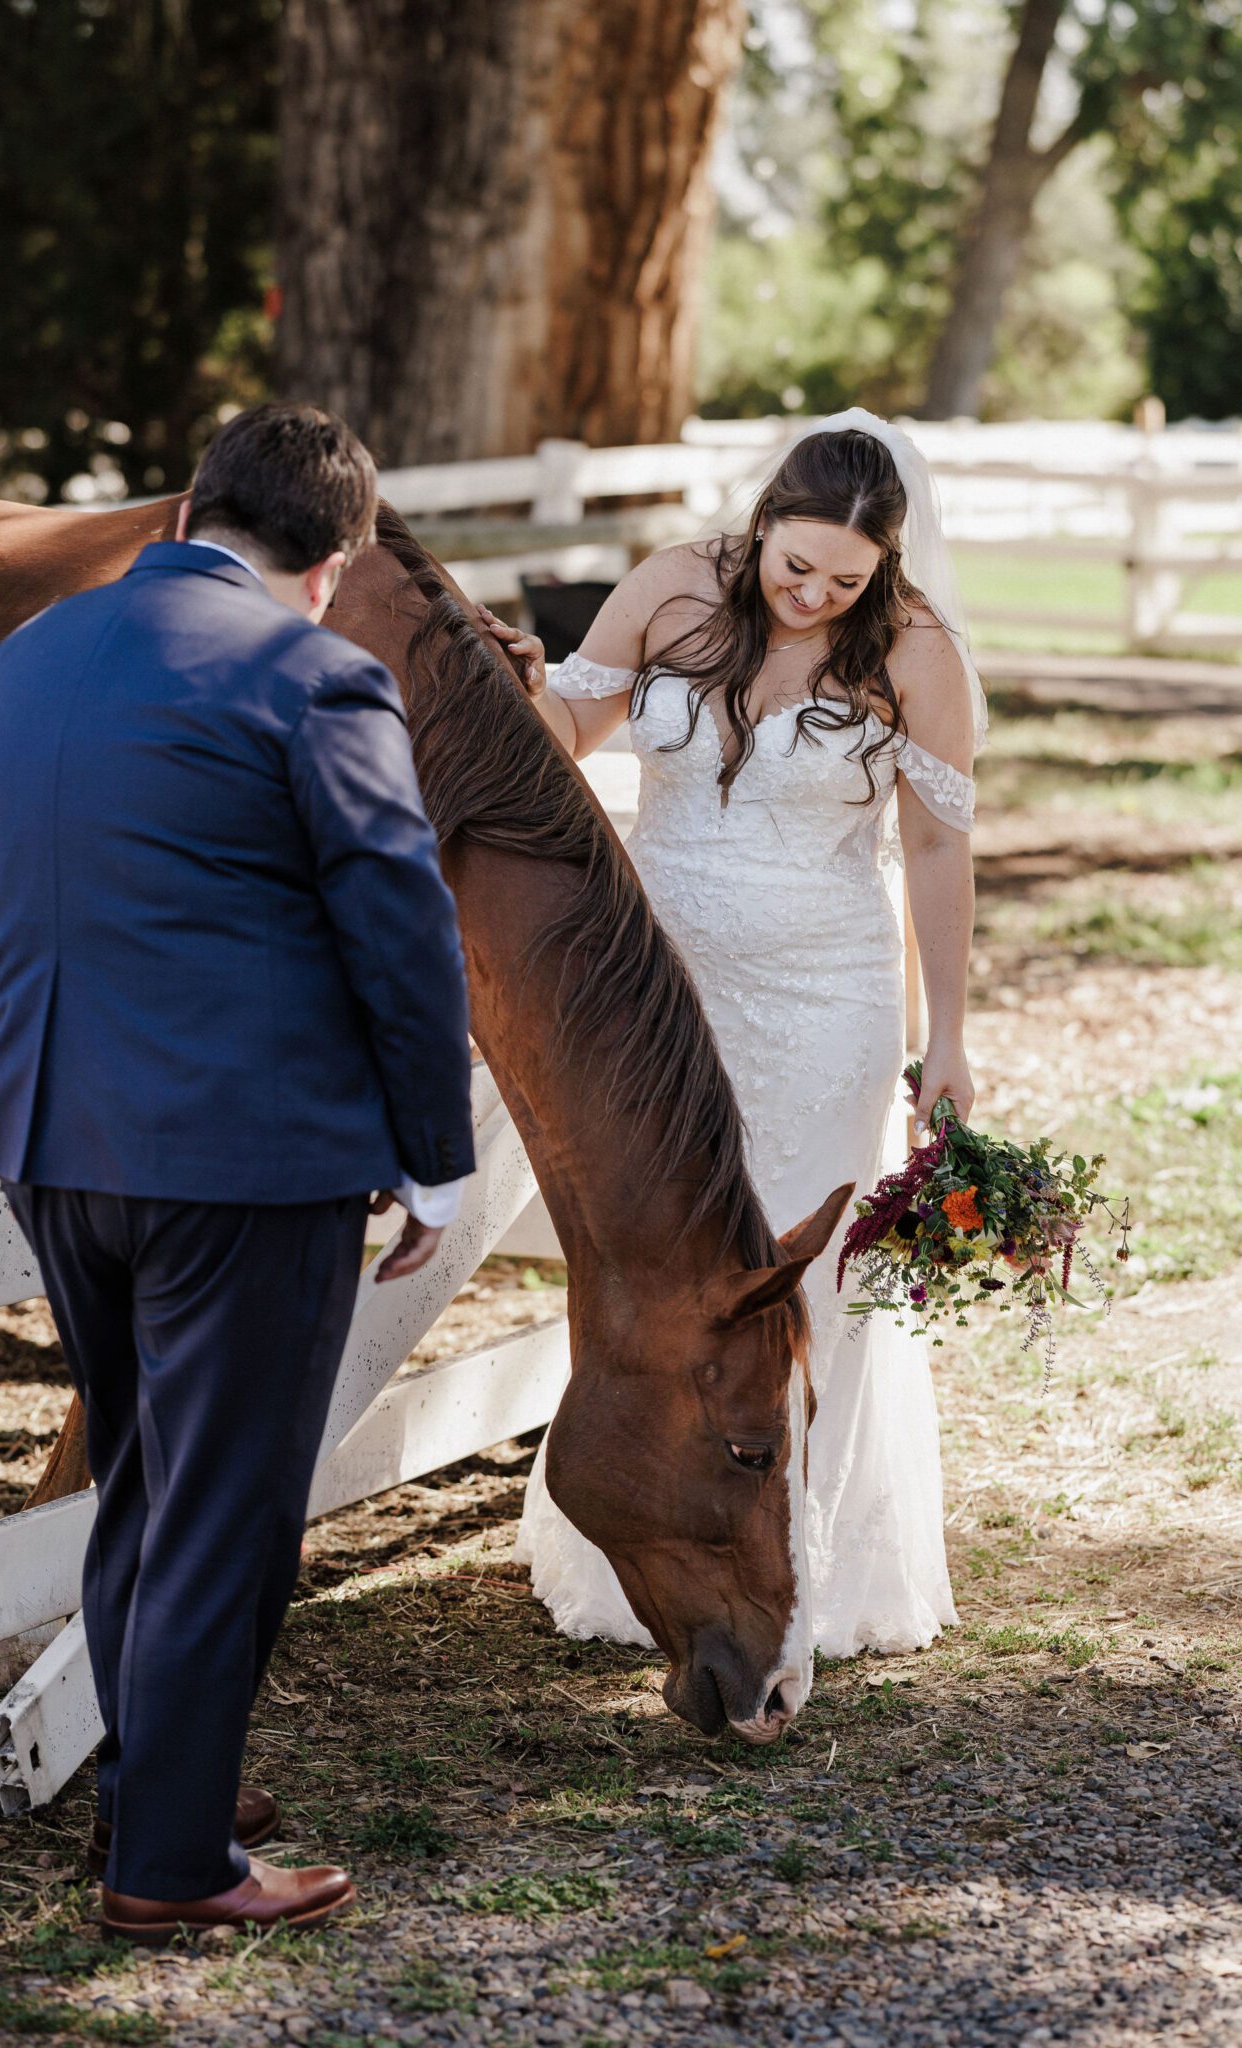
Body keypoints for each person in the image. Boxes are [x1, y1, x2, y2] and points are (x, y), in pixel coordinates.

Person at [0, 403, 476, 1940]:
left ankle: (153, 1777)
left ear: (189, 509)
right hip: (244, 1162)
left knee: (148, 1478)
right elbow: (398, 930)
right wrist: (433, 1159)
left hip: (50, 1138)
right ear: (338, 558)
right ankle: (168, 1866)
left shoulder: (22, 657)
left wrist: (27, 1071)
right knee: (224, 1504)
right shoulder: (318, 676)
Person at [483, 408, 981, 1661]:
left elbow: (934, 850)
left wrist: (952, 1039)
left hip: (828, 1002)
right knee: (651, 1263)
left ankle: (801, 1560)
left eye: (846, 579)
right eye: (795, 563)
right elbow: (568, 746)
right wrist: (528, 686)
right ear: (760, 524)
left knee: (805, 1279)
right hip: (659, 1001)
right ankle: (641, 1536)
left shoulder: (918, 652)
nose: (814, 593)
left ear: (887, 568)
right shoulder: (669, 588)